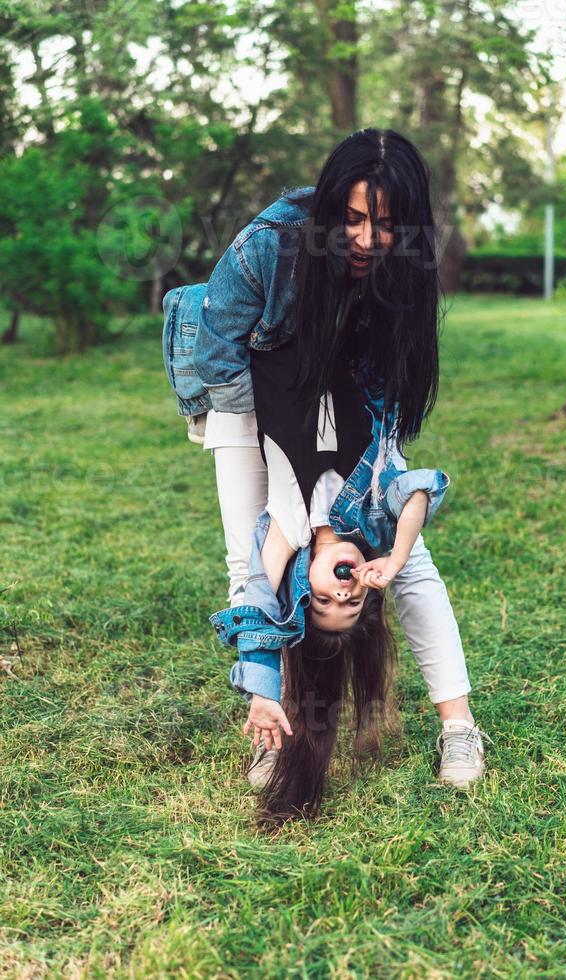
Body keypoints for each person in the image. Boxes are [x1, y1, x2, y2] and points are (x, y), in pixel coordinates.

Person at [161, 127, 489, 795]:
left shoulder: (285, 534)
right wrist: (389, 557)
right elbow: (219, 348)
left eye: (387, 225)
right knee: (415, 562)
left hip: (335, 389)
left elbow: (258, 605)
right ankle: (290, 730)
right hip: (240, 384)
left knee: (250, 564)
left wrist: (294, 451)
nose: (367, 238)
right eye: (354, 218)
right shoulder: (271, 243)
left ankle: (444, 724)